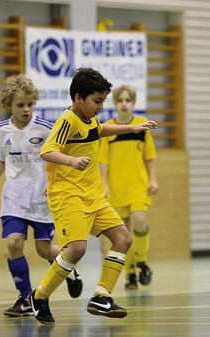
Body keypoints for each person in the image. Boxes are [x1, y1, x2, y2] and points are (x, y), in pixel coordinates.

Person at [28, 68, 157, 325]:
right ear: (78, 98)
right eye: (97, 101)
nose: (101, 106)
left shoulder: (89, 120)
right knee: (76, 249)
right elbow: (47, 150)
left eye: (103, 101)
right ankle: (39, 296)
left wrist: (132, 127)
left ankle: (101, 295)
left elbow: (99, 130)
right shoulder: (67, 120)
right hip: (67, 195)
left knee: (122, 238)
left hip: (93, 195)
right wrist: (71, 160)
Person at [0, 74, 83, 317]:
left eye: (30, 104)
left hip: (41, 198)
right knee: (14, 243)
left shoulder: (46, 128)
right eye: (20, 105)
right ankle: (26, 299)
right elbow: (1, 160)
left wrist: (57, 182)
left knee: (44, 250)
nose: (26, 109)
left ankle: (70, 269)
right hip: (14, 197)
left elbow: (57, 157)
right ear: (9, 106)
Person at [99, 84, 158, 290]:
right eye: (120, 100)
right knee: (124, 235)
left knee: (139, 220)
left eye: (128, 100)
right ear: (115, 104)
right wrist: (104, 185)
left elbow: (149, 156)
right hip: (116, 189)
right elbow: (103, 161)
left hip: (138, 186)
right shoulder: (108, 128)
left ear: (133, 103)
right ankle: (130, 273)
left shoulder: (142, 126)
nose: (124, 104)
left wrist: (153, 179)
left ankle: (141, 261)